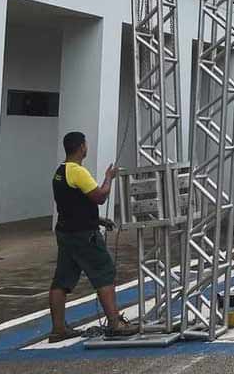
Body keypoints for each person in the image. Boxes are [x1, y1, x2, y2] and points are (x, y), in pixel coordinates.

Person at [48, 131, 136, 342]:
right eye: (86, 144)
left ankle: (58, 329)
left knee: (62, 280)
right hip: (83, 235)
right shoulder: (78, 172)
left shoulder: (59, 172)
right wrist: (109, 178)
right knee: (104, 271)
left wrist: (98, 221)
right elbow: (99, 197)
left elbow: (72, 205)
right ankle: (115, 323)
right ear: (81, 147)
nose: (87, 147)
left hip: (66, 233)